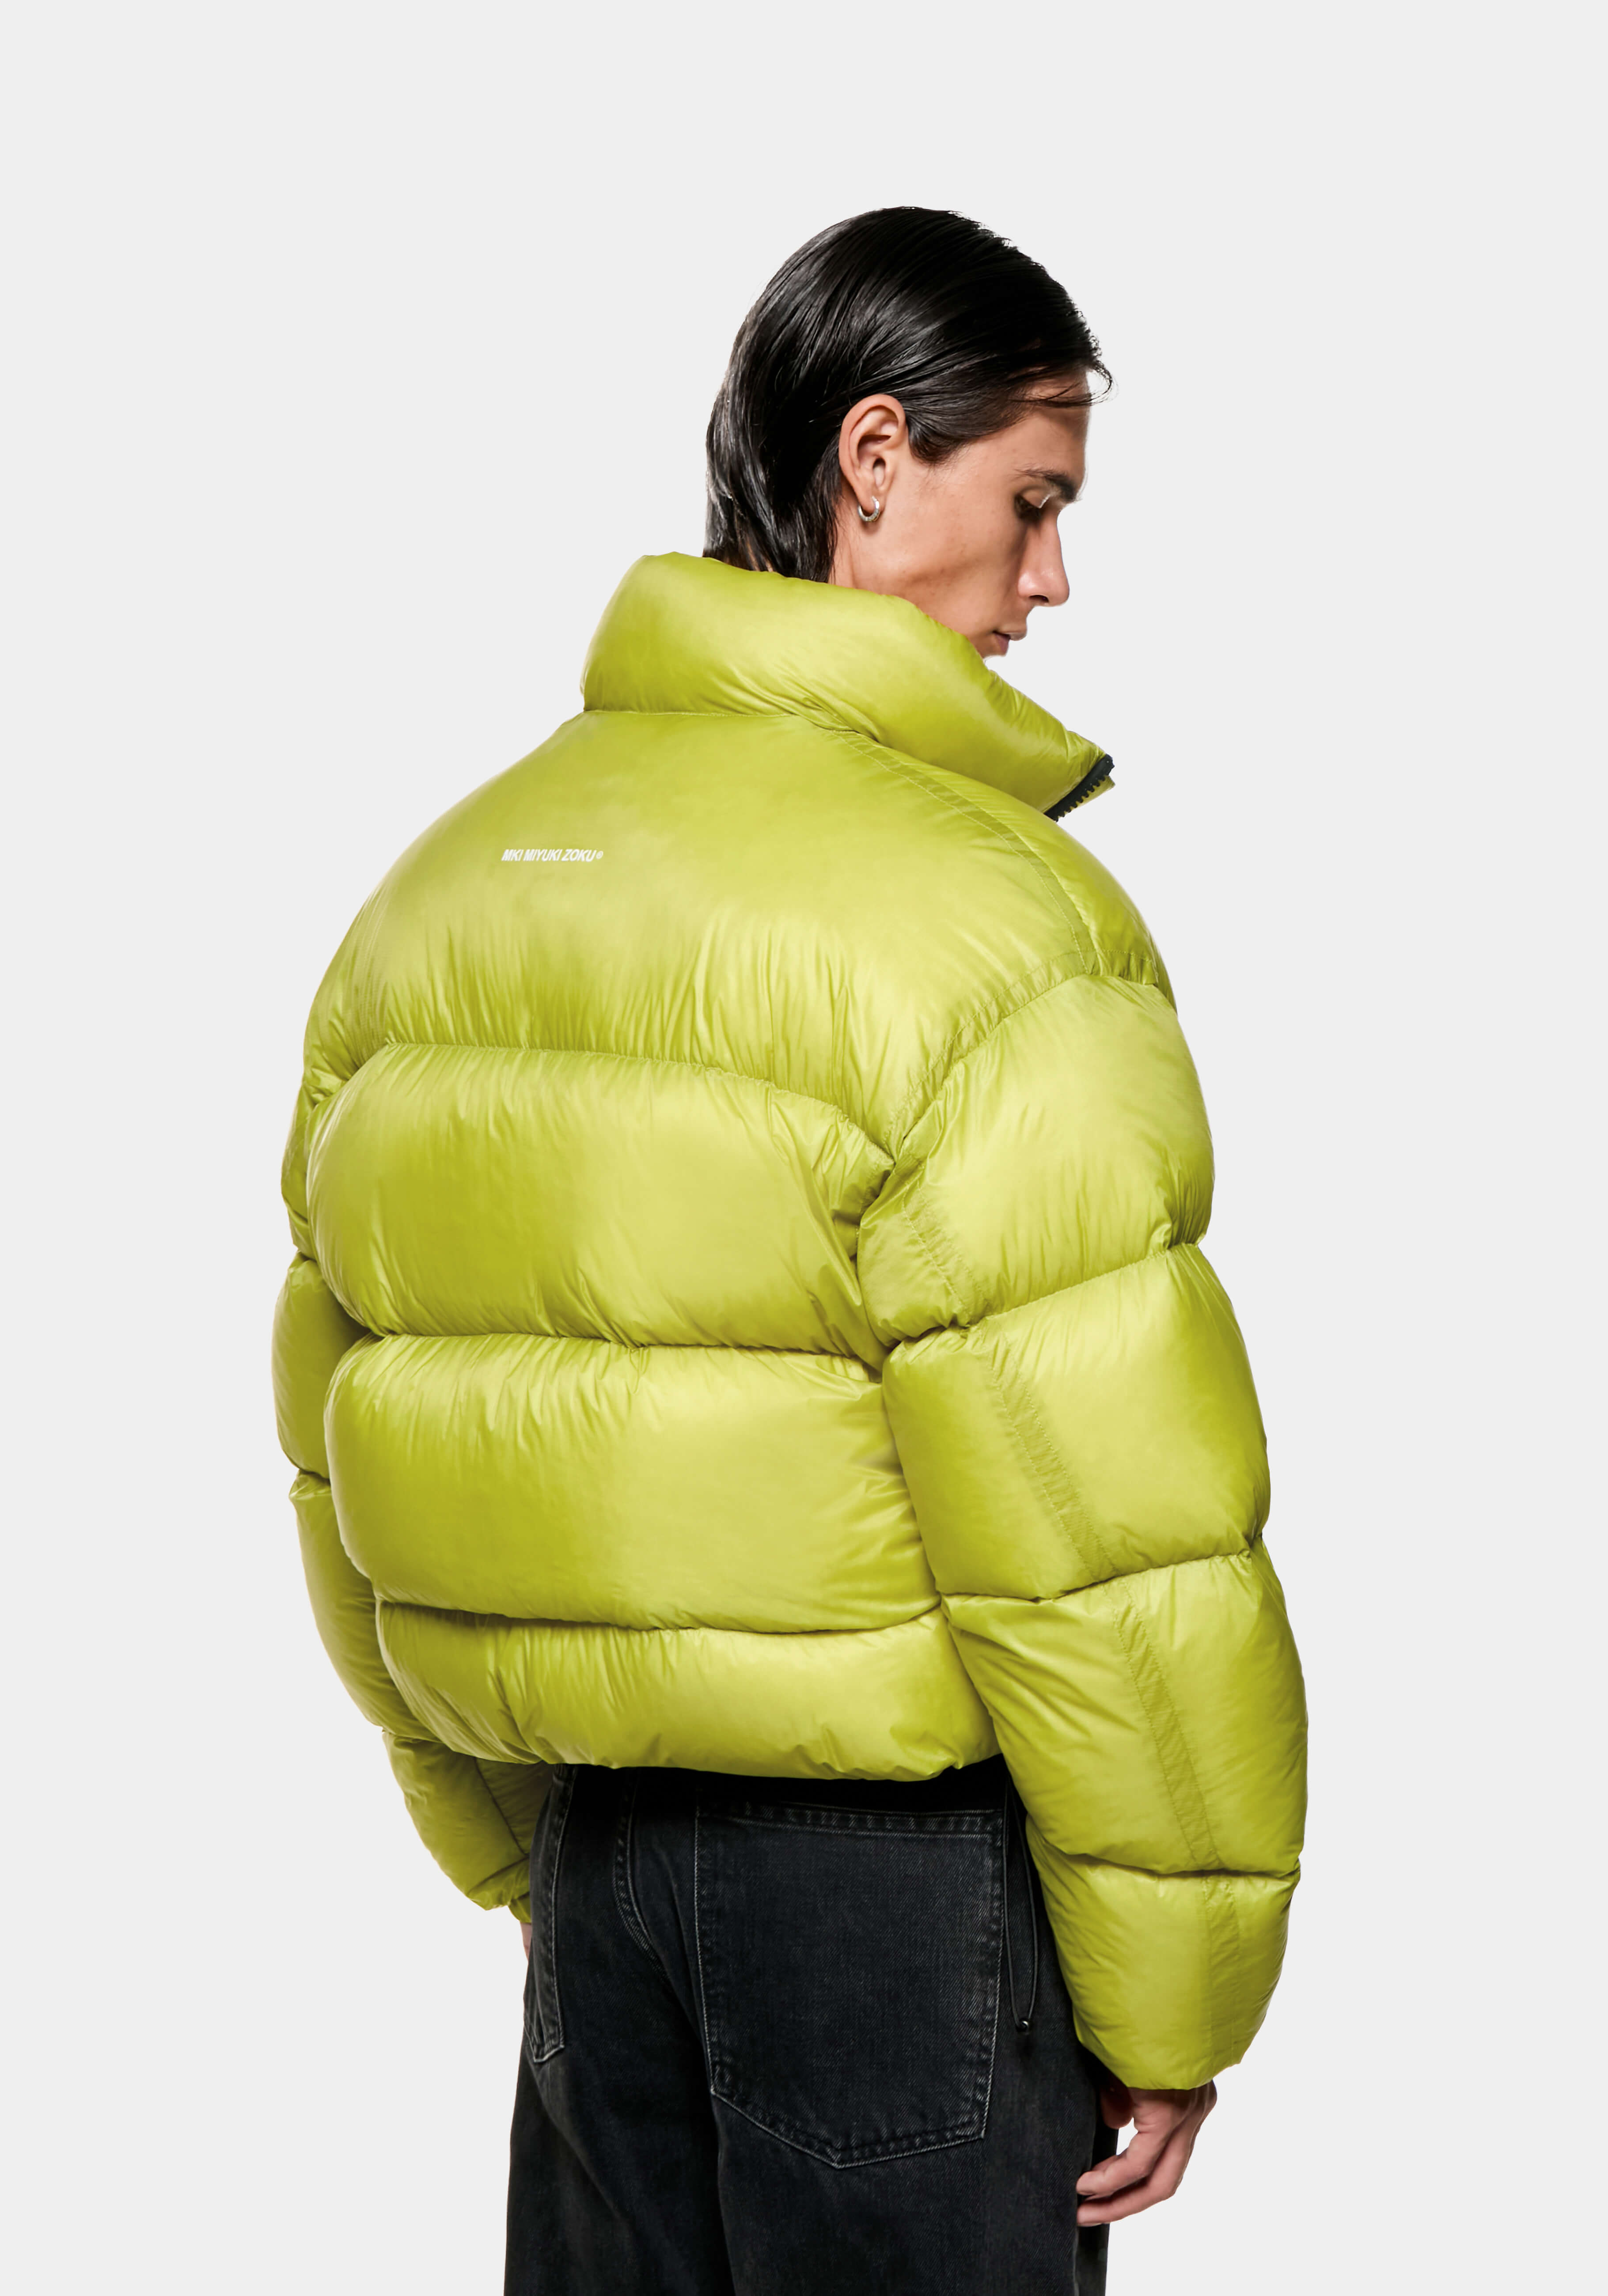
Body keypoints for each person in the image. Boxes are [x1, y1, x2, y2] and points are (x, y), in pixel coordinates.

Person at [272, 206, 1307, 2294]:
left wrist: (516, 1853)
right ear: (873, 459)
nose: (1050, 581)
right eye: (1034, 503)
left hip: (598, 1877)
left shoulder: (442, 891)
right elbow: (1104, 1527)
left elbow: (343, 1428)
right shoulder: (990, 924)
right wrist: (1178, 1988)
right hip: (894, 1903)